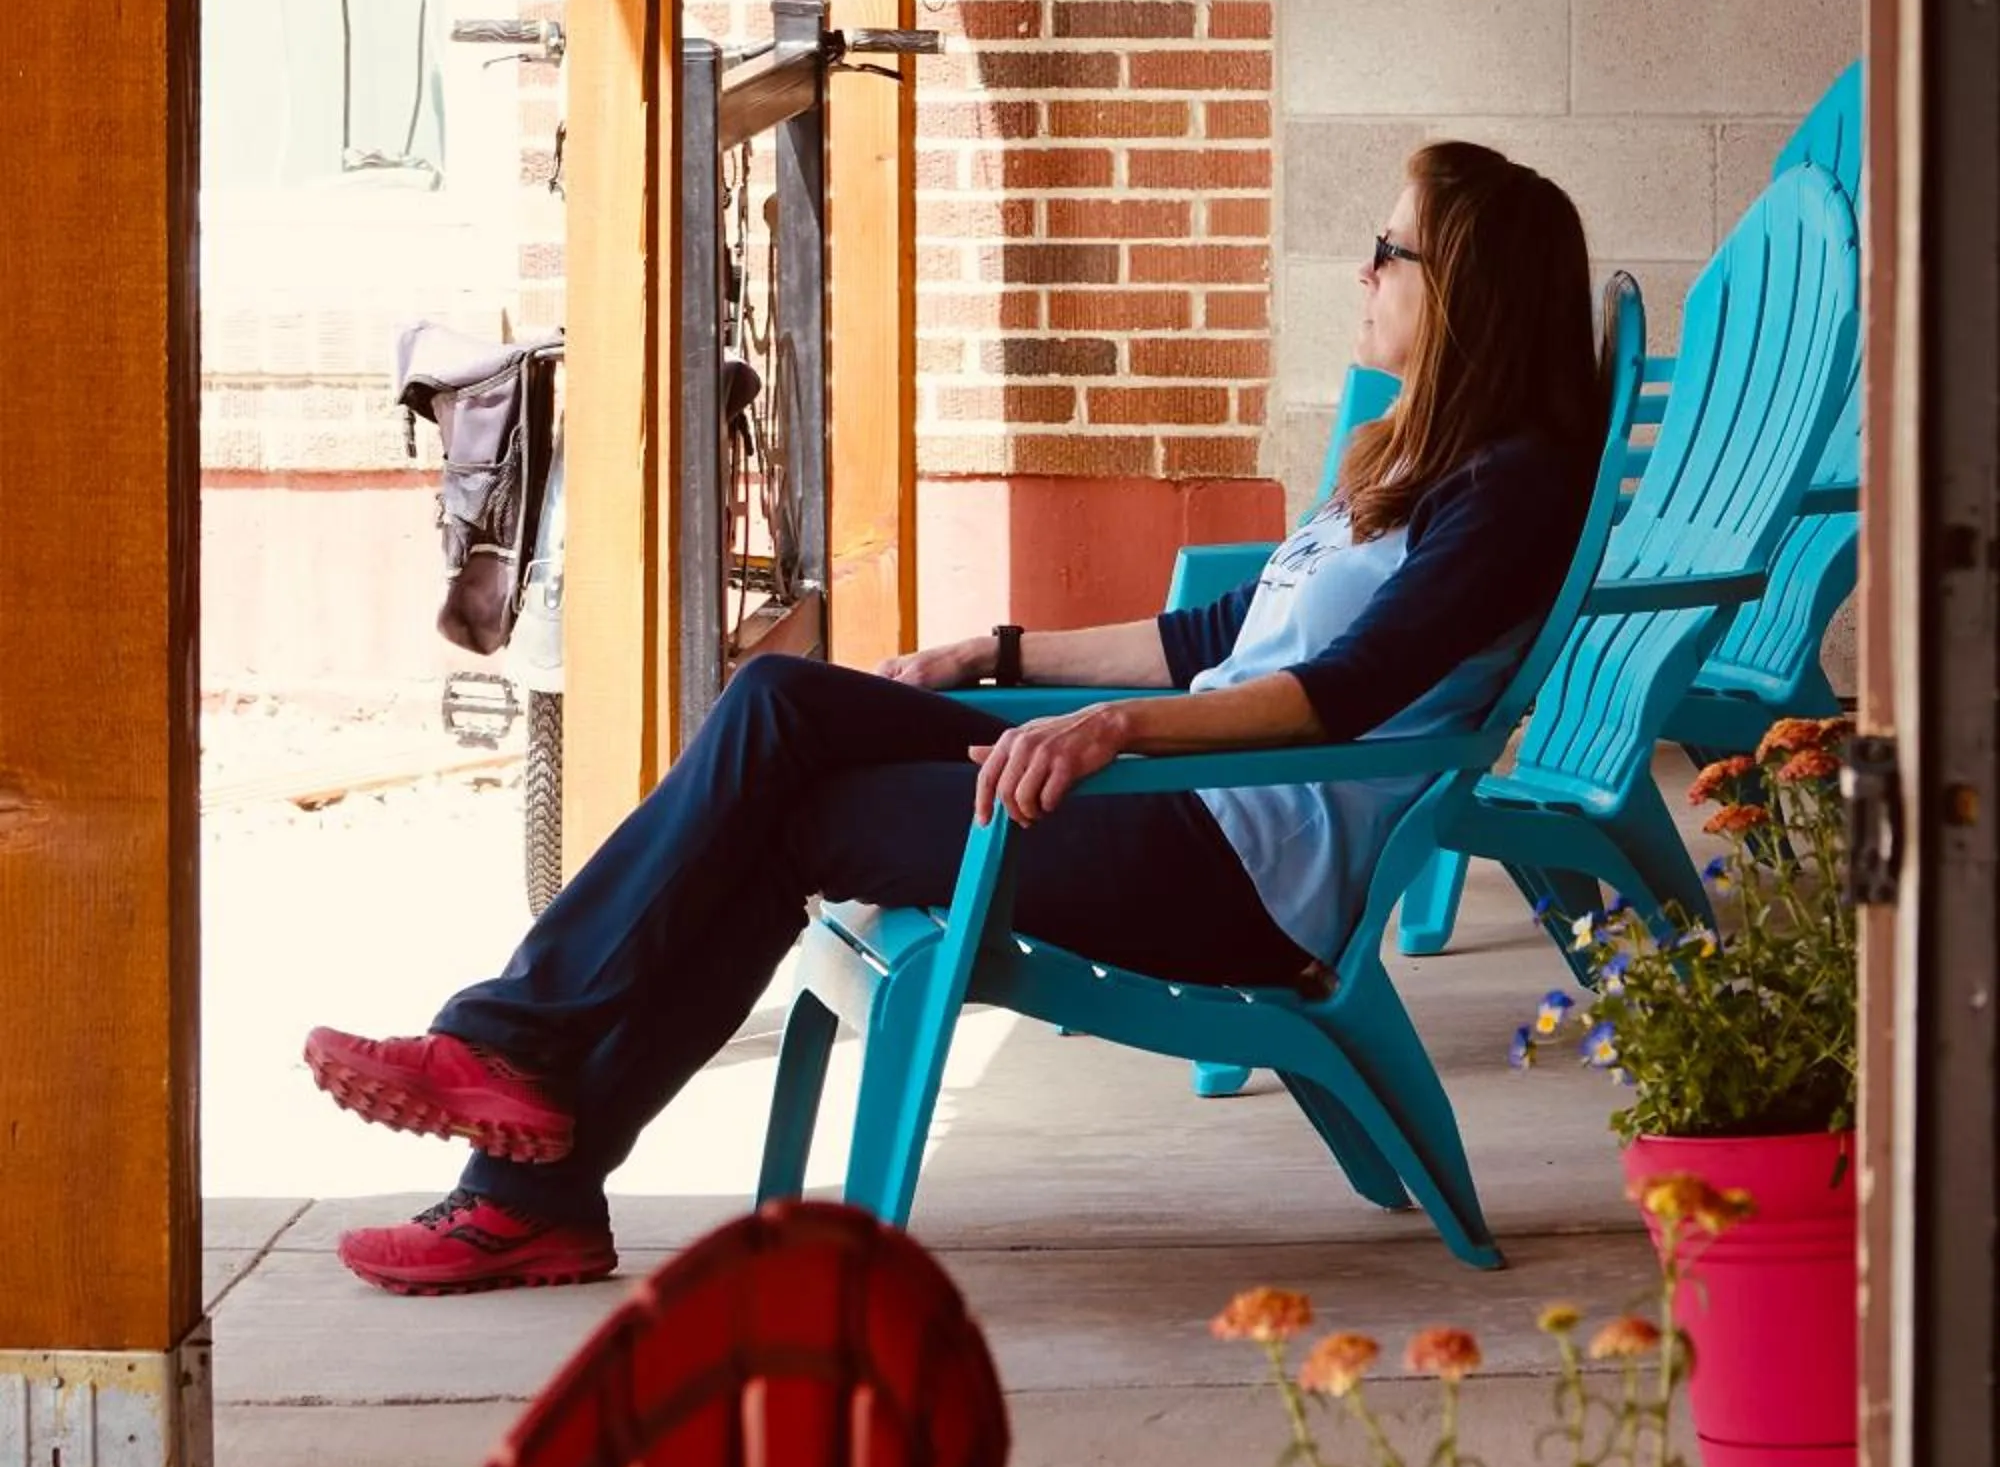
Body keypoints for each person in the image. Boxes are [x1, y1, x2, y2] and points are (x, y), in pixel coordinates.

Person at [309, 142, 1604, 1294]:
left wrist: (1113, 730)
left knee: (797, 821)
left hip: (1230, 870)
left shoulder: (1511, 495)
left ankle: (524, 1146)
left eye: (1391, 248)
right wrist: (994, 653)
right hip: (1179, 811)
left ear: (1469, 289)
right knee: (777, 704)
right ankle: (517, 1093)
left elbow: (1344, 698)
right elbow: (1218, 640)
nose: (1364, 270)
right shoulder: (1406, 469)